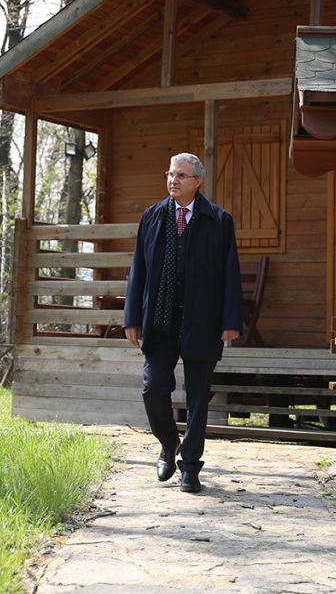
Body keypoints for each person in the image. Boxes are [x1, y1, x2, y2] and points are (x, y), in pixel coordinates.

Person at [123, 152, 242, 493]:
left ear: (198, 181)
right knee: (154, 386)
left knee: (198, 398)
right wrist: (132, 317)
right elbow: (139, 271)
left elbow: (229, 273)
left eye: (181, 175)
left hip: (203, 320)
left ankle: (190, 466)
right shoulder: (152, 217)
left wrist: (231, 319)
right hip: (159, 321)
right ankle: (167, 442)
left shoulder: (219, 221)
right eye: (170, 174)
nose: (173, 180)